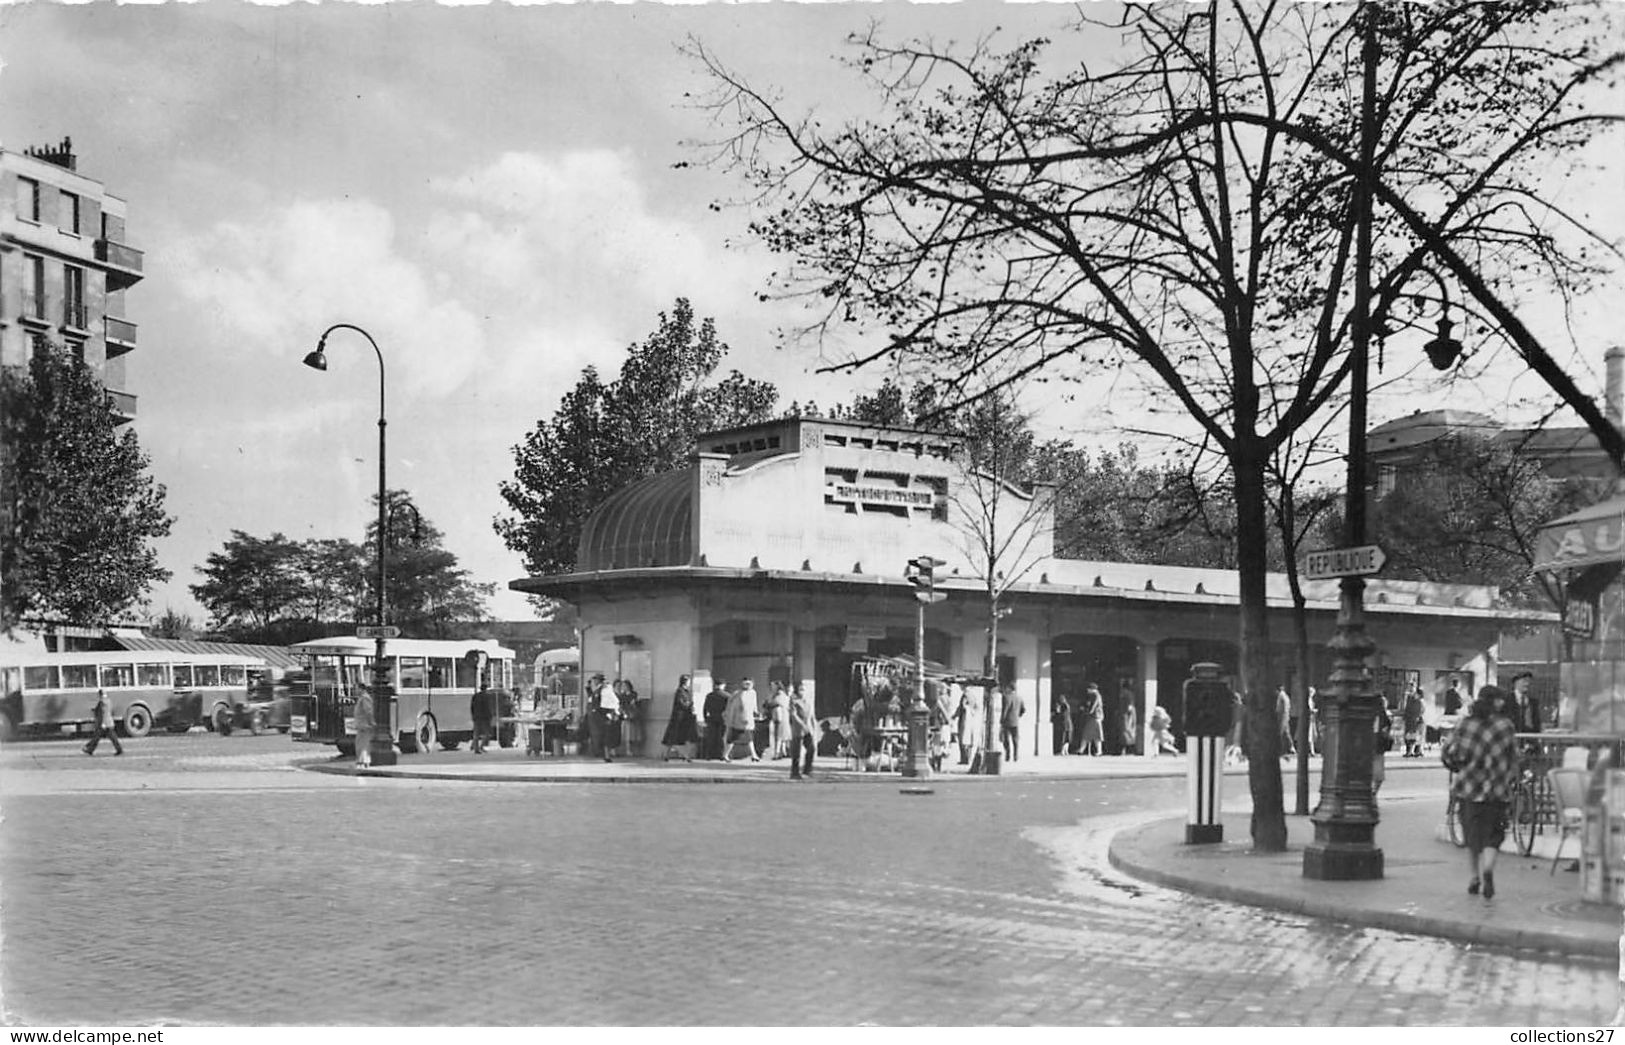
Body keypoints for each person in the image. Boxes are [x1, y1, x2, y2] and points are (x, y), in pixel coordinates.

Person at [1441, 684, 1519, 901]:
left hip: (1469, 789)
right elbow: (1514, 756)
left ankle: (1475, 877)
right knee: (1494, 835)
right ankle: (1488, 870)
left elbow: (1449, 752)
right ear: (1495, 702)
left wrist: (1457, 766)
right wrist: (1511, 776)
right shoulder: (1506, 726)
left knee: (1473, 835)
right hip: (1498, 790)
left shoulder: (1466, 725)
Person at [660, 674, 699, 762]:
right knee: (675, 738)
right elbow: (681, 703)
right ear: (685, 682)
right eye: (688, 681)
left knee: (672, 738)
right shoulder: (680, 691)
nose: (690, 683)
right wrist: (689, 705)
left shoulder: (687, 691)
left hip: (684, 717)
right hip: (678, 718)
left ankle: (666, 755)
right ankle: (685, 756)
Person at [724, 679, 761, 763]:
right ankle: (726, 754)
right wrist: (731, 719)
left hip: (747, 720)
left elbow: (754, 705)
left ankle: (753, 755)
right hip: (739, 719)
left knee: (748, 738)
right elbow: (733, 707)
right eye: (746, 683)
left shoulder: (753, 693)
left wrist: (756, 712)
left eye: (749, 683)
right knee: (733, 738)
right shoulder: (737, 694)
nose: (748, 685)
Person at [588, 674, 621, 763]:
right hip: (598, 715)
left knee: (606, 735)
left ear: (599, 680)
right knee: (601, 735)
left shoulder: (605, 689)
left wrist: (611, 713)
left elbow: (609, 703)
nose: (594, 682)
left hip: (603, 714)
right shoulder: (599, 689)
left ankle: (607, 755)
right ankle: (603, 754)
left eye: (596, 679)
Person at [787, 681, 817, 780]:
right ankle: (794, 773)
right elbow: (793, 715)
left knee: (811, 749)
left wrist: (814, 726)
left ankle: (807, 770)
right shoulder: (794, 701)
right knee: (797, 752)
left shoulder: (808, 700)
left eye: (803, 689)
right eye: (800, 690)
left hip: (808, 729)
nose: (802, 692)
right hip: (798, 730)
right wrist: (803, 725)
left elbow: (812, 714)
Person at [82, 688, 123, 757]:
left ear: (100, 695)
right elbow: (109, 711)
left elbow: (103, 713)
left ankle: (89, 748)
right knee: (111, 738)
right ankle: (119, 750)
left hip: (105, 724)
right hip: (109, 723)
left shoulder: (102, 702)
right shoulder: (109, 701)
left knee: (98, 737)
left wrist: (103, 723)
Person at [702, 678, 730, 761]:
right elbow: (729, 708)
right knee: (721, 737)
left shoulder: (709, 695)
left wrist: (705, 718)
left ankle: (709, 755)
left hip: (711, 717)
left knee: (711, 737)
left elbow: (705, 708)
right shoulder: (727, 696)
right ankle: (721, 754)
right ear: (723, 685)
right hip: (722, 718)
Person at [954, 683, 981, 766]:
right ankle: (968, 758)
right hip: (972, 719)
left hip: (964, 719)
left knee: (963, 738)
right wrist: (973, 713)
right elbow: (977, 706)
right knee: (969, 738)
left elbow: (961, 707)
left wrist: (955, 715)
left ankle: (964, 758)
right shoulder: (973, 695)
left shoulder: (965, 695)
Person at [765, 680, 790, 759]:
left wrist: (768, 703)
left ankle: (777, 753)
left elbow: (774, 703)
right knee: (781, 735)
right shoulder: (781, 695)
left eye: (773, 686)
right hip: (781, 716)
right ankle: (782, 751)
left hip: (780, 716)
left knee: (778, 735)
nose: (771, 688)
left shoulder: (779, 695)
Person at [999, 684, 1024, 763]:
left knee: (1006, 739)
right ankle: (1015, 755)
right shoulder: (1019, 698)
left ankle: (1008, 755)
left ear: (1009, 688)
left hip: (1007, 721)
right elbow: (1023, 709)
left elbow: (1005, 709)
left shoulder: (1006, 697)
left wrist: (1002, 720)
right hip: (1015, 721)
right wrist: (1018, 715)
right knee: (1015, 739)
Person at [1079, 683, 1105, 757]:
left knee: (1087, 734)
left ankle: (1082, 750)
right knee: (1097, 735)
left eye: (1089, 689)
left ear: (1092, 689)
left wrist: (1088, 712)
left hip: (1094, 717)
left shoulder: (1095, 696)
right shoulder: (1097, 696)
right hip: (1097, 717)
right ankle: (1098, 751)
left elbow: (1093, 706)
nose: (1087, 690)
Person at [470, 682, 496, 754]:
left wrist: (473, 715)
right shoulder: (487, 696)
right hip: (485, 717)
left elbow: (472, 707)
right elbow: (488, 707)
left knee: (476, 734)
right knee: (487, 734)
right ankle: (482, 746)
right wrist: (491, 715)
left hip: (477, 717)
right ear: (486, 689)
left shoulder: (475, 696)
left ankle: (476, 748)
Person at [352, 685, 374, 769]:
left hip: (364, 725)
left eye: (357, 688)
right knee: (361, 743)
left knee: (362, 744)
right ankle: (362, 761)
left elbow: (368, 711)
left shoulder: (365, 698)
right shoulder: (362, 698)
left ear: (362, 689)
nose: (355, 690)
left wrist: (371, 722)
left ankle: (362, 761)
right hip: (362, 725)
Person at [1401, 684, 1426, 758]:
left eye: (1412, 687)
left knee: (1415, 736)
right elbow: (1407, 708)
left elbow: (1420, 710)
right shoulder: (1409, 697)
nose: (1411, 689)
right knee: (1411, 736)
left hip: (1415, 720)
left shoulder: (1418, 700)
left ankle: (1415, 751)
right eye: (1410, 687)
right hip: (1410, 720)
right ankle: (1413, 751)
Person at [1050, 689, 1074, 756]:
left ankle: (1063, 751)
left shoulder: (1063, 705)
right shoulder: (1067, 705)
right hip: (1068, 723)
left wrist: (1055, 711)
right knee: (1067, 738)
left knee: (1064, 737)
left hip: (1065, 723)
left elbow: (1059, 713)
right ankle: (1066, 751)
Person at [1274, 685, 1294, 758]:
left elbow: (1283, 707)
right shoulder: (1284, 696)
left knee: (1281, 732)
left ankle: (1282, 749)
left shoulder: (1282, 696)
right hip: (1284, 715)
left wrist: (1284, 715)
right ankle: (1291, 747)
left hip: (1283, 716)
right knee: (1286, 732)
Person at [1119, 692, 1138, 756]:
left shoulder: (1127, 695)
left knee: (1126, 732)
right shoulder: (1129, 695)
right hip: (1127, 716)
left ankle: (1129, 750)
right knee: (1127, 733)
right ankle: (1128, 750)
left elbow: (1129, 708)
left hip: (1127, 717)